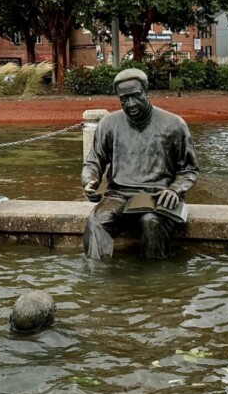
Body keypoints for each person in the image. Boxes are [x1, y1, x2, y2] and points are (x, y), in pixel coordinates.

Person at [81, 68, 199, 260]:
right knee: (97, 221)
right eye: (124, 99)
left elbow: (189, 170)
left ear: (146, 91)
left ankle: (155, 280)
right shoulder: (109, 124)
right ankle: (97, 279)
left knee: (151, 222)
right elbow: (94, 161)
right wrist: (89, 180)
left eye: (135, 96)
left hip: (158, 196)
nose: (130, 104)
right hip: (118, 195)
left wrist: (175, 190)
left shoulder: (174, 124)